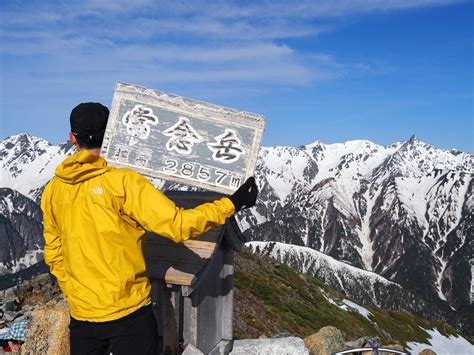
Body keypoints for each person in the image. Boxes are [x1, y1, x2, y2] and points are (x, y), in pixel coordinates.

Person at [40, 102, 258, 355]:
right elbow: (178, 226)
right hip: (129, 313)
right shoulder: (123, 182)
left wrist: (74, 291)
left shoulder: (54, 189)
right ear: (112, 130)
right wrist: (232, 203)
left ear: (71, 138)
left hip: (81, 316)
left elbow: (54, 252)